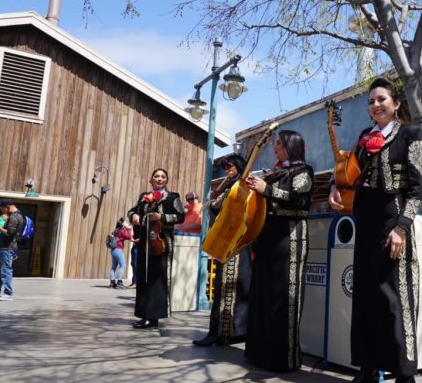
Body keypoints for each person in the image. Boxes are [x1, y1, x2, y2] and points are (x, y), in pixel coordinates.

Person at [328, 77, 422, 383]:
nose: (376, 105)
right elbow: (350, 175)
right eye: (371, 101)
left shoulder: (410, 134)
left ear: (396, 104)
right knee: (366, 297)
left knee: (395, 299)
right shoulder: (363, 137)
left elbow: (416, 189)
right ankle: (368, 367)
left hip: (392, 218)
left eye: (382, 99)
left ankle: (404, 372)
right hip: (366, 221)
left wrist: (402, 228)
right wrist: (335, 186)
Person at [244, 130, 314, 371]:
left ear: (290, 147)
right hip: (267, 239)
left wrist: (267, 190)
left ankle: (283, 358)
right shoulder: (275, 172)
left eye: (279, 144)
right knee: (263, 295)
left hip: (289, 239)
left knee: (285, 297)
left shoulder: (303, 171)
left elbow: (300, 201)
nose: (275, 148)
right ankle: (260, 353)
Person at [193, 154, 252, 347]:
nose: (227, 170)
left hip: (237, 242)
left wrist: (216, 201)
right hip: (225, 241)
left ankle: (231, 332)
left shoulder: (243, 185)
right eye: (226, 167)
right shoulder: (229, 186)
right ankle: (218, 331)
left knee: (233, 287)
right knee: (222, 287)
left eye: (230, 167)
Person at [128, 168, 184, 329]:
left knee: (158, 280)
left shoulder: (173, 197)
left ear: (166, 180)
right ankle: (144, 314)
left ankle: (154, 316)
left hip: (162, 243)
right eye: (156, 176)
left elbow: (180, 216)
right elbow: (131, 211)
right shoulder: (144, 197)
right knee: (143, 278)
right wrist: (134, 216)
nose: (159, 179)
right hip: (145, 242)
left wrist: (162, 217)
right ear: (151, 180)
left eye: (163, 177)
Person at [110, 218, 135, 289]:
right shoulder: (121, 231)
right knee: (123, 265)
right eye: (125, 222)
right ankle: (119, 282)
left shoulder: (116, 230)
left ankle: (112, 283)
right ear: (122, 224)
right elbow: (129, 236)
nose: (126, 223)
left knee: (113, 267)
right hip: (118, 250)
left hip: (113, 250)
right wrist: (128, 229)